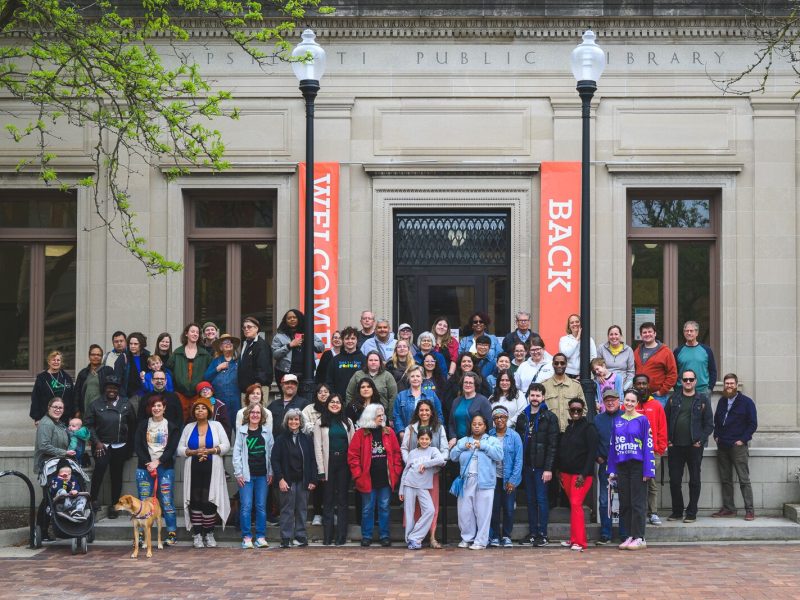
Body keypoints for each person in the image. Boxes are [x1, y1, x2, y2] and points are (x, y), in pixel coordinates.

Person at [177, 396, 230, 548]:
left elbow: (226, 445)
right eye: (197, 409)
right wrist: (193, 452)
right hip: (193, 468)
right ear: (194, 412)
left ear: (209, 411)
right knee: (195, 500)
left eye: (203, 408)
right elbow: (180, 449)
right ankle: (197, 534)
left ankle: (209, 533)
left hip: (212, 468)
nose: (200, 411)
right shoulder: (188, 427)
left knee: (209, 500)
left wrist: (211, 450)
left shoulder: (217, 426)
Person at [348, 403, 403, 547]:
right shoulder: (361, 433)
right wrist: (358, 475)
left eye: (382, 414)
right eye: (378, 415)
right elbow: (353, 456)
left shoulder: (389, 432)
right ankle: (366, 535)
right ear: (370, 416)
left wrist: (396, 472)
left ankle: (385, 535)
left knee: (384, 507)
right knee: (367, 508)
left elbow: (397, 454)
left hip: (386, 478)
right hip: (367, 479)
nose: (382, 417)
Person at [609, 389, 656, 551]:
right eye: (627, 400)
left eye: (632, 401)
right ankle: (629, 535)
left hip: (638, 466)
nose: (629, 403)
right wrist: (612, 470)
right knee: (625, 503)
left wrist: (648, 471)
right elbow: (613, 447)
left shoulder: (643, 420)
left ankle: (640, 537)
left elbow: (649, 445)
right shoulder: (617, 420)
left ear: (637, 403)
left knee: (638, 503)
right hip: (622, 466)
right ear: (623, 401)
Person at [665, 369, 714, 524]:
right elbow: (664, 421)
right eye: (685, 379)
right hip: (675, 446)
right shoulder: (673, 399)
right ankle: (677, 511)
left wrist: (701, 439)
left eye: (690, 379)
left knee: (694, 480)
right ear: (681, 381)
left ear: (695, 381)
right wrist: (668, 440)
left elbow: (709, 424)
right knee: (674, 480)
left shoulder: (703, 399)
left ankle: (692, 512)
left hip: (694, 446)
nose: (687, 382)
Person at [400, 399, 449, 549]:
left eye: (427, 410)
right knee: (412, 508)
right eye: (421, 410)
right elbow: (404, 448)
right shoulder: (411, 428)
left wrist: (431, 465)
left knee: (431, 506)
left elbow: (444, 450)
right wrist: (412, 463)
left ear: (432, 412)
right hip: (413, 476)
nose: (424, 413)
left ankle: (432, 537)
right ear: (417, 412)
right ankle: (414, 538)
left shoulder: (439, 428)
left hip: (431, 474)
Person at [84, 375, 136, 517]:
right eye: (109, 388)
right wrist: (97, 442)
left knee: (116, 475)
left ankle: (115, 505)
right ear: (105, 389)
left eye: (114, 388)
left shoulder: (126, 404)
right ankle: (93, 500)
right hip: (102, 445)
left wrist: (130, 448)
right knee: (99, 471)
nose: (111, 390)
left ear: (118, 389)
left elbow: (132, 425)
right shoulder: (96, 404)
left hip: (120, 446)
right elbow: (88, 425)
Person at [514, 382, 559, 547]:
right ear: (528, 396)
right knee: (530, 500)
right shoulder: (522, 417)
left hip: (541, 467)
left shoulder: (549, 417)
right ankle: (533, 532)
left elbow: (553, 446)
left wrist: (548, 468)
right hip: (527, 466)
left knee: (541, 499)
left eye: (538, 395)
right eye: (532, 395)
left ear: (543, 397)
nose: (535, 398)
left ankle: (543, 534)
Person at [451, 414, 503, 550]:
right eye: (474, 424)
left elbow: (499, 455)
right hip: (466, 480)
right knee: (465, 511)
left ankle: (480, 541)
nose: (477, 426)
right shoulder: (464, 440)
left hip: (485, 481)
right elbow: (453, 456)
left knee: (483, 512)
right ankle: (467, 538)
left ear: (485, 426)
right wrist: (461, 447)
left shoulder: (492, 440)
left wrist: (483, 446)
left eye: (480, 424)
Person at [134, 395, 180, 546]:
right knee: (143, 501)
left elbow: (172, 448)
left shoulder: (171, 426)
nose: (156, 408)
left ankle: (172, 533)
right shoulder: (143, 425)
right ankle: (141, 535)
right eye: (154, 406)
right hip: (145, 468)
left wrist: (158, 462)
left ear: (164, 408)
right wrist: (148, 462)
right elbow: (138, 446)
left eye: (159, 406)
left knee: (166, 500)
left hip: (165, 468)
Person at [713, 373, 758, 521]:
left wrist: (743, 440)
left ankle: (750, 510)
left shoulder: (746, 402)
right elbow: (717, 421)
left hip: (738, 447)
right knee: (726, 480)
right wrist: (716, 436)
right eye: (727, 383)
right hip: (723, 446)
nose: (729, 386)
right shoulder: (721, 401)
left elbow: (752, 423)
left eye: (732, 383)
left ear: (737, 385)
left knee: (744, 480)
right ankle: (729, 509)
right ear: (724, 385)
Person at [557, 397, 598, 551]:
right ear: (569, 410)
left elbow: (592, 453)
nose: (575, 412)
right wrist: (560, 470)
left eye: (578, 410)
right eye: (572, 409)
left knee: (576, 504)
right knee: (573, 506)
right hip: (567, 473)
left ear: (583, 411)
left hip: (581, 475)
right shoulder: (569, 428)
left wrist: (584, 473)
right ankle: (573, 538)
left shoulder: (589, 428)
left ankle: (580, 542)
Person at [313, 394, 354, 545]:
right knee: (328, 500)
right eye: (332, 402)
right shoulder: (320, 422)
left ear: (341, 405)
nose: (335, 404)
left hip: (344, 464)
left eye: (338, 402)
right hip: (328, 463)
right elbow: (318, 447)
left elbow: (353, 446)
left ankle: (341, 537)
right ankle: (328, 536)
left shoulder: (348, 422)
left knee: (343, 500)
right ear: (327, 404)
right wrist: (321, 470)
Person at [232, 403, 274, 549]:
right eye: (253, 412)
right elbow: (236, 453)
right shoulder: (242, 431)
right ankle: (247, 537)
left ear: (261, 416)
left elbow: (271, 452)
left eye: (258, 413)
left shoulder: (267, 432)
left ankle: (261, 537)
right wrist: (238, 473)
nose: (255, 415)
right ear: (248, 415)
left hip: (263, 475)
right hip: (246, 476)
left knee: (261, 506)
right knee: (246, 506)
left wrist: (271, 472)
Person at [34, 398, 74, 540]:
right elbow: (44, 446)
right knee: (48, 498)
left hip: (57, 464)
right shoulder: (46, 424)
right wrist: (65, 453)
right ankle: (41, 530)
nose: (58, 410)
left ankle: (44, 529)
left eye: (60, 408)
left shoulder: (59, 424)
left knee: (50, 498)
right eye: (55, 407)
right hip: (47, 465)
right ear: (48, 407)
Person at [633, 374, 668, 526]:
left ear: (648, 385)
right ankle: (639, 512)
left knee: (651, 481)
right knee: (635, 482)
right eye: (638, 384)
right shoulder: (630, 404)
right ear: (634, 385)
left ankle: (652, 512)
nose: (641, 386)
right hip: (634, 450)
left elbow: (662, 428)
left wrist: (659, 449)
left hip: (652, 451)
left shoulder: (656, 405)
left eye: (644, 383)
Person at [594, 389, 626, 545]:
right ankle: (606, 533)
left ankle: (624, 534)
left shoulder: (627, 418)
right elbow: (591, 440)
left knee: (624, 500)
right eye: (607, 400)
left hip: (624, 465)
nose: (610, 402)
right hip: (606, 464)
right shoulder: (598, 419)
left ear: (619, 400)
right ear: (603, 402)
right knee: (605, 500)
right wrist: (597, 457)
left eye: (613, 399)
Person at [488, 405, 522, 548]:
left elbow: (519, 460)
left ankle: (507, 536)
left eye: (502, 417)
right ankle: (495, 536)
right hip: (493, 478)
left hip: (509, 478)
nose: (499, 420)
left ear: (507, 418)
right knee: (494, 508)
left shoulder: (514, 436)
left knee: (508, 508)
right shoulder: (489, 435)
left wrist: (513, 481)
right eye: (496, 417)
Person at [168, 323, 213, 421]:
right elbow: (168, 370)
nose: (195, 334)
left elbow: (211, 373)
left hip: (198, 395)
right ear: (186, 334)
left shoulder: (204, 354)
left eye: (197, 332)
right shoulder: (177, 353)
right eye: (192, 331)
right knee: (180, 422)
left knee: (197, 421)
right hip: (180, 395)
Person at [302, 383, 332, 525]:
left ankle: (331, 512)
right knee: (318, 482)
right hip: (314, 450)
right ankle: (318, 513)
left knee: (332, 484)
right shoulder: (309, 409)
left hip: (332, 451)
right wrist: (319, 430)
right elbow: (305, 426)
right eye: (320, 392)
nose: (323, 394)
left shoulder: (334, 406)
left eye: (326, 391)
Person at [272, 309, 324, 383]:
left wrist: (308, 340)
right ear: (285, 321)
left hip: (307, 374)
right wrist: (289, 345)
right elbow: (275, 355)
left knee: (307, 394)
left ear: (299, 318)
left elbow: (321, 348)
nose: (292, 319)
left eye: (294, 317)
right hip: (285, 372)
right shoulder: (279, 336)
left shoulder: (308, 332)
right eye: (289, 318)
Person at [393, 365, 445, 439]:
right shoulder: (401, 396)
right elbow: (396, 416)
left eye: (418, 376)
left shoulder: (431, 395)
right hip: (408, 435)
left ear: (422, 378)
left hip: (429, 435)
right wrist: (401, 432)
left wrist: (435, 431)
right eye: (412, 376)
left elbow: (439, 414)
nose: (415, 379)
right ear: (408, 378)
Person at [633, 322, 678, 407]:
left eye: (650, 332)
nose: (647, 334)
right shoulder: (637, 351)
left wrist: (662, 391)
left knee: (657, 420)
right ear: (641, 335)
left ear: (655, 333)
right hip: (639, 395)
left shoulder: (665, 351)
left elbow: (672, 374)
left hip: (657, 396)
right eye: (644, 332)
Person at [345, 350, 398, 418]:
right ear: (367, 362)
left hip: (381, 414)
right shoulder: (358, 375)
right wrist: (350, 411)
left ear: (380, 362)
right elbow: (349, 393)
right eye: (370, 360)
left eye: (376, 360)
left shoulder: (387, 376)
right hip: (359, 415)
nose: (373, 362)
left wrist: (390, 417)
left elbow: (393, 396)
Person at [448, 371, 493, 449]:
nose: (467, 385)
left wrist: (482, 442)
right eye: (465, 382)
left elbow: (489, 424)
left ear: (475, 385)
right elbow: (451, 423)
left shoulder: (483, 401)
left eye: (470, 383)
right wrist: (453, 437)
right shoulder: (456, 401)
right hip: (458, 443)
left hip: (476, 443)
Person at [30, 350, 76, 425]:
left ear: (61, 362)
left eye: (58, 360)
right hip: (46, 417)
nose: (56, 362)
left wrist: (72, 416)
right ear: (49, 362)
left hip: (64, 417)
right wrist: (37, 417)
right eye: (53, 360)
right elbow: (35, 398)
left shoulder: (67, 378)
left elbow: (72, 397)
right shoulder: (41, 378)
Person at [542, 353, 586, 431]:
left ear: (566, 364)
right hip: (551, 432)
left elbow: (584, 409)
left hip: (572, 431)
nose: (559, 365)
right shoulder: (544, 386)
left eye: (562, 363)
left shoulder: (576, 385)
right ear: (552, 364)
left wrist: (577, 427)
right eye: (556, 363)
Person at [442, 353, 491, 420]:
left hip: (477, 418)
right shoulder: (452, 381)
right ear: (460, 364)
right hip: (457, 417)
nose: (466, 363)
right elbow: (447, 401)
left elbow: (486, 397)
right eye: (464, 361)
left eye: (469, 361)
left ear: (473, 364)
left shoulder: (481, 379)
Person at [673, 320, 718, 394]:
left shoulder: (707, 350)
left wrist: (710, 388)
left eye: (691, 331)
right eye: (686, 331)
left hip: (703, 391)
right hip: (682, 391)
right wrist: (676, 388)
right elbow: (674, 372)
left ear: (697, 333)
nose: (689, 333)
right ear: (684, 333)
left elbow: (712, 371)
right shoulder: (678, 351)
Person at [204, 333, 241, 418]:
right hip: (220, 399)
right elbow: (206, 377)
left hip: (236, 399)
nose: (228, 344)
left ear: (233, 346)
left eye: (230, 342)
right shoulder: (216, 362)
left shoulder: (239, 361)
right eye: (225, 342)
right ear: (221, 347)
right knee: (222, 425)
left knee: (237, 423)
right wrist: (218, 368)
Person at [238, 315, 274, 395]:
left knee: (258, 408)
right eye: (244, 327)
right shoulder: (245, 343)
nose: (246, 329)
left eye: (249, 327)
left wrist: (258, 384)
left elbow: (264, 367)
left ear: (256, 328)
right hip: (246, 389)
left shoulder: (261, 345)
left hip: (257, 389)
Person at [327, 326, 366, 399]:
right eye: (347, 338)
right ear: (343, 340)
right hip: (339, 401)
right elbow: (329, 381)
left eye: (353, 338)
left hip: (359, 400)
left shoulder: (363, 359)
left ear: (357, 340)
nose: (350, 341)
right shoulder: (335, 360)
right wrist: (334, 397)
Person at [268, 373, 308, 438]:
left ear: (297, 386)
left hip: (295, 443)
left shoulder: (304, 403)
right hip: (276, 444)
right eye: (287, 383)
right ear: (282, 385)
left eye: (293, 383)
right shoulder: (273, 405)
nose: (290, 385)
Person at [598, 325, 636, 391]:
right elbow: (596, 366)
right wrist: (598, 376)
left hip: (622, 386)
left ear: (620, 336)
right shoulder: (601, 348)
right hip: (604, 386)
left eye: (616, 334)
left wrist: (625, 388)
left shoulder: (628, 350)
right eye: (611, 334)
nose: (614, 337)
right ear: (608, 336)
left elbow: (631, 372)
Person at [559, 314, 597, 378]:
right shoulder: (564, 339)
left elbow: (593, 357)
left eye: (577, 322)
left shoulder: (589, 339)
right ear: (569, 326)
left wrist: (584, 372)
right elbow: (566, 354)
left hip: (583, 375)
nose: (575, 324)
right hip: (567, 374)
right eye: (572, 322)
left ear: (581, 323)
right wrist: (577, 339)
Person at [74, 345, 107, 417]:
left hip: (103, 411)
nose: (96, 357)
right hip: (85, 411)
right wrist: (77, 410)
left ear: (102, 357)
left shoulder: (107, 371)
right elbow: (77, 393)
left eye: (98, 355)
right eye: (93, 354)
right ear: (89, 356)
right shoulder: (83, 373)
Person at [125, 331, 150, 405]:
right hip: (131, 395)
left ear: (141, 345)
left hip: (146, 393)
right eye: (130, 344)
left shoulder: (147, 357)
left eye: (135, 344)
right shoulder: (124, 357)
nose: (132, 346)